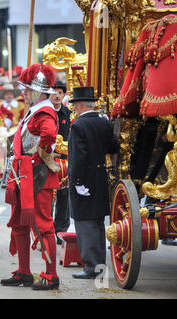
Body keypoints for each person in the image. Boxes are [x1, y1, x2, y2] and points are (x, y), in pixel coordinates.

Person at [0, 64, 61, 290]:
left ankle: (51, 274)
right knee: (19, 223)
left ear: (36, 91)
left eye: (26, 90)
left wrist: (39, 155)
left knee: (44, 225)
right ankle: (24, 271)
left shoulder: (44, 111)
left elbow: (48, 135)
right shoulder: (35, 110)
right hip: (24, 173)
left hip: (37, 174)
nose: (22, 94)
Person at [68, 86, 120, 279]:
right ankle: (99, 266)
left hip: (85, 179)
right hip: (99, 176)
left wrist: (78, 182)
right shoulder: (103, 122)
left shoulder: (79, 125)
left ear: (80, 105)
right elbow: (113, 147)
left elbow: (77, 158)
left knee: (85, 223)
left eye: (75, 105)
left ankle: (92, 267)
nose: (74, 108)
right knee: (97, 223)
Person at [49, 81, 72, 244]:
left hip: (64, 161)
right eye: (54, 92)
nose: (57, 95)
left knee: (64, 197)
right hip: (47, 159)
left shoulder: (69, 114)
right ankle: (45, 231)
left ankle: (60, 231)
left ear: (64, 95)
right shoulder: (44, 112)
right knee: (46, 197)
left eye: (60, 92)